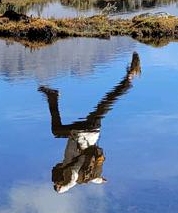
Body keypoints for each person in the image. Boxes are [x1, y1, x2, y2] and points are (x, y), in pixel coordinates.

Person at [39, 52, 141, 193]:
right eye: (55, 169)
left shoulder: (83, 176)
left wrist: (100, 180)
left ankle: (128, 79)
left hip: (91, 133)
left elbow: (94, 179)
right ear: (59, 173)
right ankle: (52, 96)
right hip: (83, 133)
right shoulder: (70, 171)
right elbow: (72, 178)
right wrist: (62, 187)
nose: (55, 165)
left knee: (105, 104)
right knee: (57, 130)